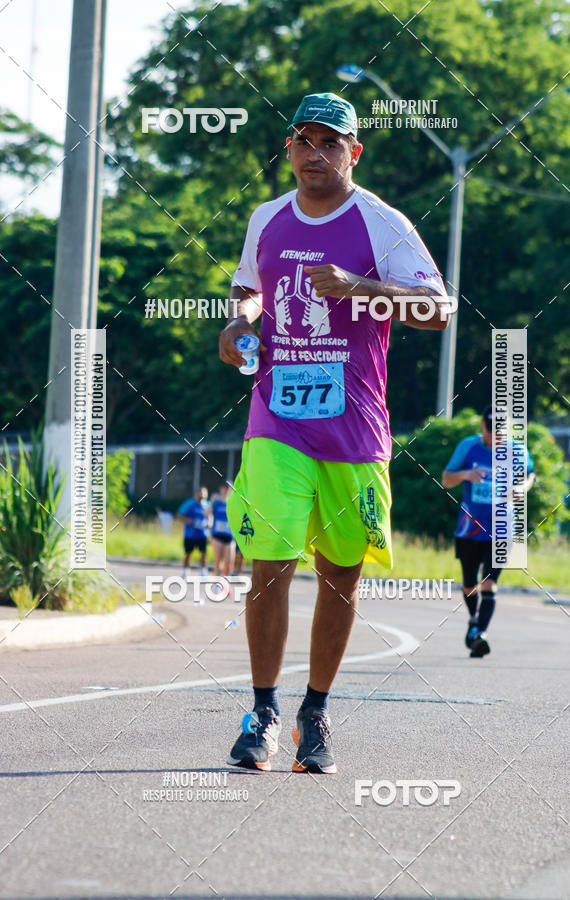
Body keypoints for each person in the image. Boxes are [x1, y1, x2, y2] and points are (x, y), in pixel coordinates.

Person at [219, 91, 453, 773]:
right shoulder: (266, 218)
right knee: (270, 562)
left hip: (355, 426)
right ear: (288, 148)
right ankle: (261, 710)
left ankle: (315, 711)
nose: (314, 154)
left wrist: (359, 286)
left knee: (340, 572)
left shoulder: (383, 223)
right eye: (303, 141)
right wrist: (238, 326)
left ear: (354, 152)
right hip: (277, 416)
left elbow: (438, 312)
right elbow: (249, 292)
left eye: (330, 143)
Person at [442, 405, 535, 658]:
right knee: (470, 584)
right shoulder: (468, 446)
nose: (495, 436)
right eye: (491, 430)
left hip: (502, 528)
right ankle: (474, 621)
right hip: (470, 529)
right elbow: (446, 479)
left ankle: (478, 634)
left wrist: (521, 489)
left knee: (489, 583)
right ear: (483, 426)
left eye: (500, 431)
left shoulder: (517, 449)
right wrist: (466, 474)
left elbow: (529, 474)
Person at [177, 487, 210, 578]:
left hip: (202, 534)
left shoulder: (208, 505)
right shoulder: (189, 503)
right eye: (200, 494)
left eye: (204, 494)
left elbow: (211, 516)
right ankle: (185, 571)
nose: (202, 496)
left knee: (203, 553)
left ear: (206, 495)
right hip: (190, 534)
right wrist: (187, 520)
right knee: (188, 553)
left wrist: (210, 524)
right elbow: (179, 514)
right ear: (196, 494)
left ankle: (203, 571)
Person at [211, 484, 235, 576]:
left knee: (229, 564)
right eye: (224, 487)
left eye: (228, 488)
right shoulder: (216, 503)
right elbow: (207, 513)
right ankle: (217, 587)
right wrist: (211, 502)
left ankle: (226, 585)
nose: (226, 490)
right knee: (218, 563)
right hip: (217, 535)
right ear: (221, 489)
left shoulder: (233, 504)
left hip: (229, 536)